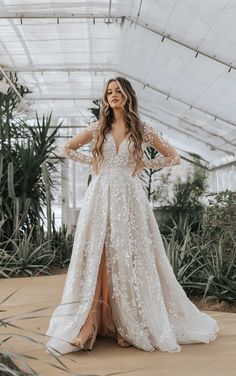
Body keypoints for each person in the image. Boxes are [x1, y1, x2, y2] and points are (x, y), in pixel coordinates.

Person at [46, 76, 219, 355]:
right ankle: (89, 323)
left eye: (118, 91)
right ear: (106, 98)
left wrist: (143, 163)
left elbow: (174, 157)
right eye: (109, 92)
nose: (113, 95)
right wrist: (92, 161)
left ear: (127, 95)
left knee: (128, 256)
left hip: (129, 198)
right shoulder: (97, 128)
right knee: (98, 255)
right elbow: (65, 148)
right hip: (100, 196)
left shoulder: (140, 128)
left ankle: (126, 324)